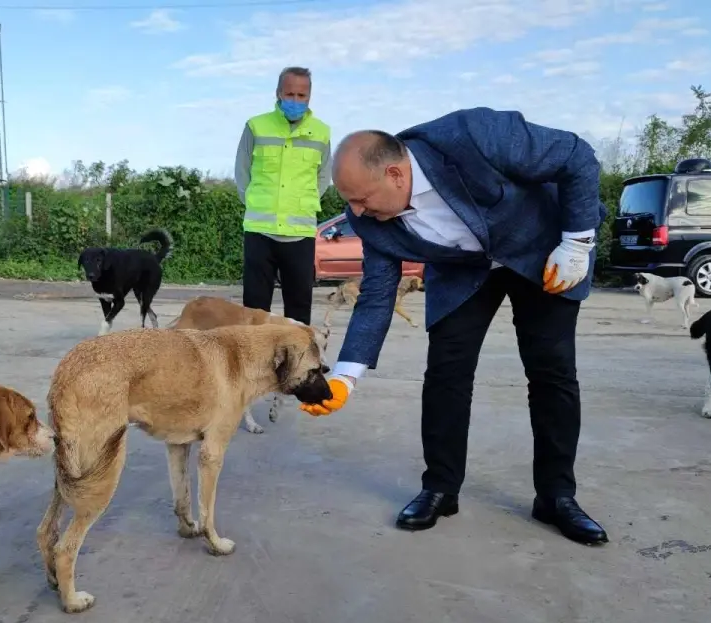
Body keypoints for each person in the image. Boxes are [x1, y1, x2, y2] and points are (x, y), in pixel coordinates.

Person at [300, 108, 610, 546]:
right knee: (446, 372)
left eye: (362, 199)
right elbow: (376, 296)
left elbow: (576, 156)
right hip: (464, 269)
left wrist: (577, 241)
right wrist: (345, 377)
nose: (356, 212)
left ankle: (557, 496)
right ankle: (440, 488)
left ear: (395, 174)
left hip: (543, 249)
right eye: (349, 201)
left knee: (552, 372)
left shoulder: (473, 136)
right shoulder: (369, 217)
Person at [235, 66, 332, 325]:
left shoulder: (321, 132)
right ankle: (254, 364)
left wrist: (304, 201)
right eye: (290, 94)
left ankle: (297, 365)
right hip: (260, 231)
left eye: (302, 96)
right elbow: (242, 171)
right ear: (278, 93)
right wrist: (253, 202)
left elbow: (324, 175)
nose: (295, 101)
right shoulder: (256, 126)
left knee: (299, 310)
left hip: (300, 232)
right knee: (254, 311)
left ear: (309, 96)